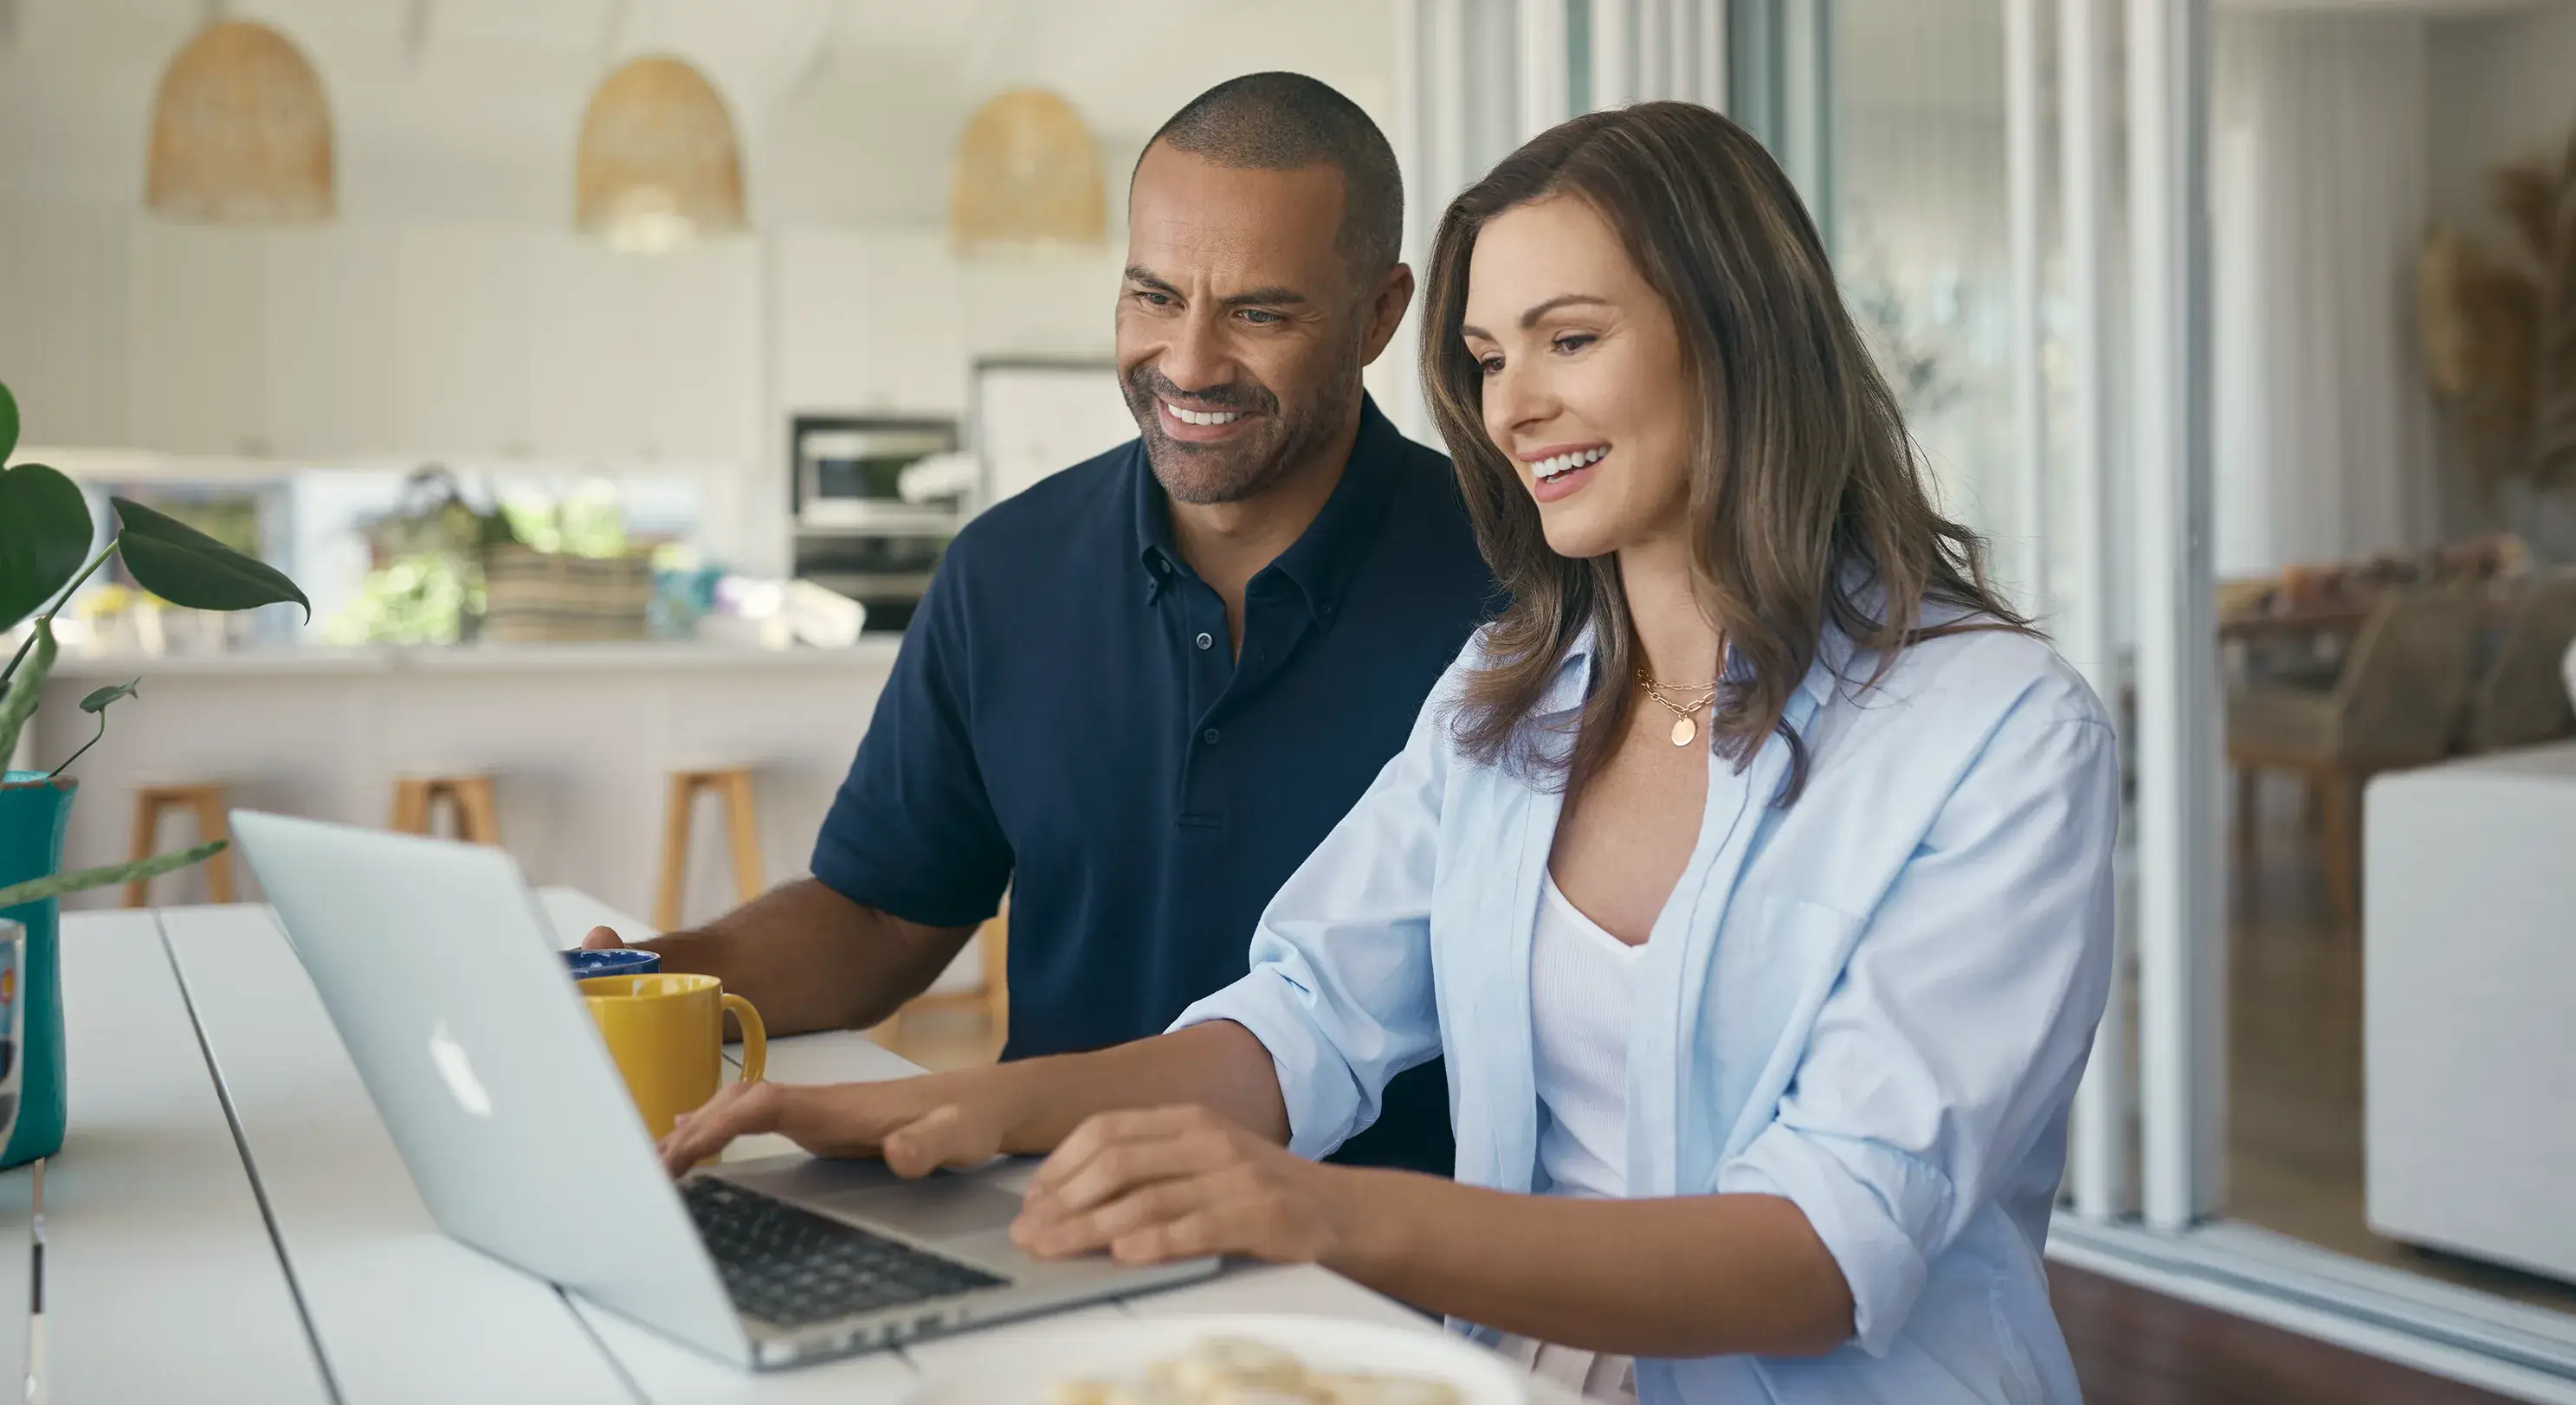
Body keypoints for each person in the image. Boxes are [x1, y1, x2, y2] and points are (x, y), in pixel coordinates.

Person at [657, 101, 2118, 1405]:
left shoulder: (1994, 733)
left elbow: (1819, 1249)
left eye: (1568, 339)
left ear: (1738, 335)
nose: (1511, 405)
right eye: (1487, 358)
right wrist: (948, 1108)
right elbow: (1301, 1017)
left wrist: (1314, 1209)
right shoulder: (1517, 686)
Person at [584, 73, 1492, 1178]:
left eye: (1259, 313)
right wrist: (647, 978)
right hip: (1040, 1209)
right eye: (1153, 296)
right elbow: (883, 919)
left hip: (1382, 1247)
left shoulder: (1519, 595)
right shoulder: (1005, 570)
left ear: (1380, 315)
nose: (1189, 362)